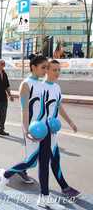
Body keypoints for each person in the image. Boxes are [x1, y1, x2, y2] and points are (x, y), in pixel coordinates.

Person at [0, 55, 66, 210]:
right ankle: (4, 176)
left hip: (45, 128)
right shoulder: (26, 84)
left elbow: (48, 108)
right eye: (44, 67)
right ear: (33, 67)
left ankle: (44, 198)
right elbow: (24, 109)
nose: (46, 70)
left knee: (44, 162)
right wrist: (26, 131)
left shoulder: (43, 85)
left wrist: (51, 126)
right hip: (33, 128)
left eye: (47, 67)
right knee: (31, 161)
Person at [42, 59, 82, 198]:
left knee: (34, 158)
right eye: (54, 70)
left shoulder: (56, 87)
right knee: (54, 157)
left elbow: (59, 106)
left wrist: (70, 122)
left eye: (59, 70)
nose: (57, 73)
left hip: (52, 130)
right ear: (46, 70)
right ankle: (64, 187)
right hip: (43, 130)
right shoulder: (41, 87)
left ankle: (17, 172)